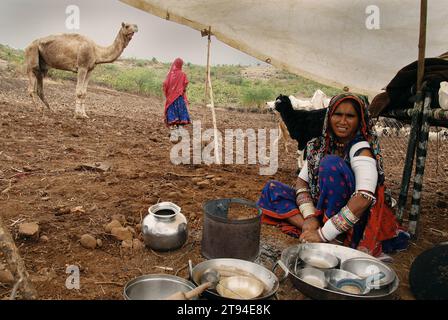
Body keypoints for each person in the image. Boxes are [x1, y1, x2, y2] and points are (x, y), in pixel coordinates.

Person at [257, 93, 409, 257]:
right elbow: (302, 182)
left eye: (350, 116)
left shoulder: (361, 149)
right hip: (320, 210)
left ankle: (329, 236)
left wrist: (325, 234)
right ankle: (311, 228)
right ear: (329, 116)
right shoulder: (320, 144)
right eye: (338, 114)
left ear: (359, 120)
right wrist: (309, 217)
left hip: (352, 217)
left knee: (331, 165)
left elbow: (364, 198)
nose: (342, 121)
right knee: (272, 189)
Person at [163, 58, 191, 135]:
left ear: (174, 64)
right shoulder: (183, 74)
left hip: (171, 98)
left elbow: (165, 84)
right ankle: (178, 130)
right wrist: (182, 91)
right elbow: (185, 85)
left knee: (172, 114)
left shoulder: (169, 74)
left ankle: (173, 130)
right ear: (181, 65)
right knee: (180, 114)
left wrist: (168, 93)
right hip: (179, 97)